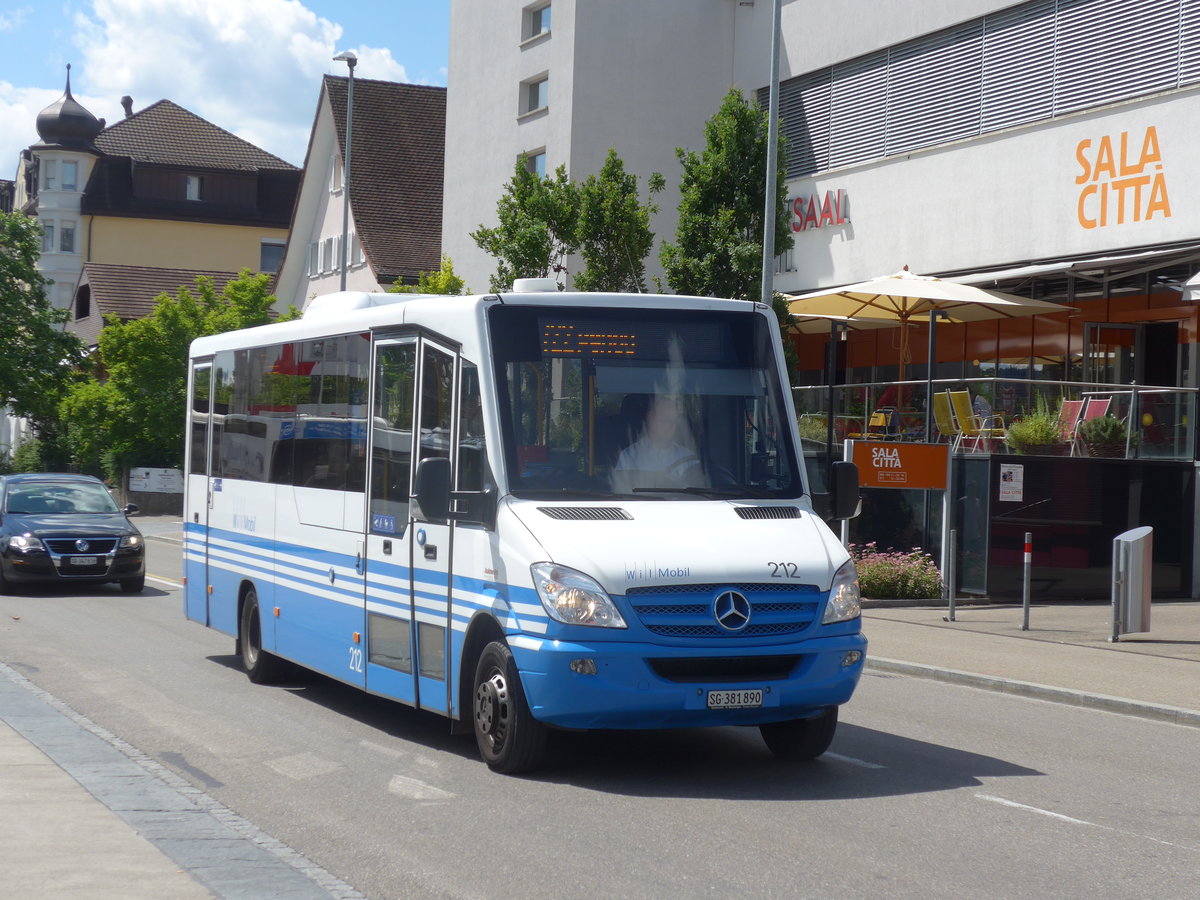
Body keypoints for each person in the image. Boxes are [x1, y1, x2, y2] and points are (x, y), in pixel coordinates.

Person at [611, 393, 703, 493]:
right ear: (650, 419)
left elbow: (698, 494)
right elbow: (621, 493)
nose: (671, 426)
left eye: (674, 421)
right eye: (665, 420)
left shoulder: (688, 458)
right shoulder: (629, 457)